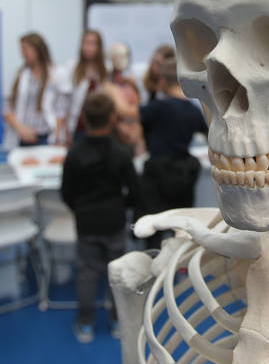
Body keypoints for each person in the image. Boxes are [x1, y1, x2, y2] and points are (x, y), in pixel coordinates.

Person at [61, 92, 140, 343]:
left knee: (87, 272)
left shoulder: (74, 153)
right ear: (113, 118)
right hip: (114, 220)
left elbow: (66, 193)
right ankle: (117, 321)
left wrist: (81, 208)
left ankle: (85, 323)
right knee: (117, 272)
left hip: (86, 222)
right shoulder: (121, 152)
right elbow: (135, 190)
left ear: (84, 118)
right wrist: (120, 205)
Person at [139, 57, 207, 249]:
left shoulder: (157, 108)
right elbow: (208, 133)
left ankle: (154, 261)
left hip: (158, 174)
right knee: (181, 225)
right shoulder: (193, 111)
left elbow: (133, 116)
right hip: (183, 173)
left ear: (162, 81)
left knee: (153, 228)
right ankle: (180, 260)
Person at [4, 33, 64, 146]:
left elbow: (61, 108)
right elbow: (6, 107)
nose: (23, 53)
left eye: (26, 49)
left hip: (48, 135)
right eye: (22, 49)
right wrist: (20, 128)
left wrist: (57, 135)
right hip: (23, 135)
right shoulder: (19, 76)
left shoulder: (56, 73)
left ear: (39, 49)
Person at [59, 30, 108, 145]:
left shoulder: (107, 70)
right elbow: (63, 103)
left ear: (99, 47)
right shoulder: (72, 68)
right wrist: (64, 131)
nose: (88, 47)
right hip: (77, 127)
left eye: (92, 43)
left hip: (101, 128)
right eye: (86, 43)